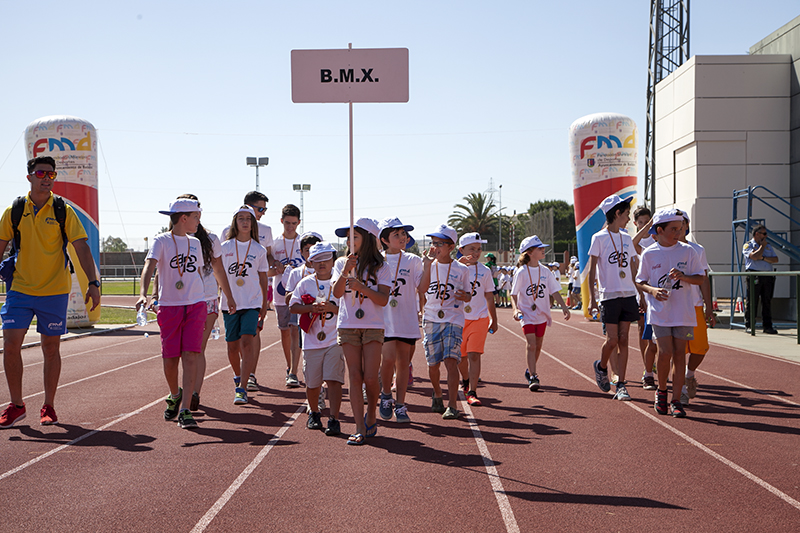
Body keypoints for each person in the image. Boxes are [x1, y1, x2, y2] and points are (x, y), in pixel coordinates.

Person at [0, 156, 101, 429]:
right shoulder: (15, 210)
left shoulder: (63, 210)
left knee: (50, 348)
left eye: (51, 174)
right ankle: (17, 405)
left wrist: (94, 283)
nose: (47, 177)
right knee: (10, 346)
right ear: (30, 177)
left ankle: (49, 406)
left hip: (55, 290)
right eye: (41, 173)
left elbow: (81, 248)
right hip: (20, 289)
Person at [137, 199, 217, 429]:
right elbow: (149, 267)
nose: (198, 223)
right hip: (170, 306)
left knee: (191, 354)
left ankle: (185, 410)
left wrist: (207, 298)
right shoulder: (161, 241)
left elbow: (199, 273)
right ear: (184, 218)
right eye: (196, 218)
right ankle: (175, 394)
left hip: (195, 305)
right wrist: (144, 294)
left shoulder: (195, 243)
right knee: (170, 358)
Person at [635, 208, 706, 418]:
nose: (678, 233)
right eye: (673, 229)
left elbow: (700, 278)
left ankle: (676, 399)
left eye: (680, 228)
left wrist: (683, 276)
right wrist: (653, 291)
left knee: (679, 354)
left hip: (683, 311)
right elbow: (640, 281)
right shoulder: (650, 253)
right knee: (664, 352)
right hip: (660, 312)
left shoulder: (688, 251)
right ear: (660, 230)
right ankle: (662, 391)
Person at [170, 194, 235, 412]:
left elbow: (218, 269)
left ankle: (195, 393)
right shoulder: (168, 239)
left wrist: (229, 295)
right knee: (179, 351)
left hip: (205, 299)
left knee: (197, 348)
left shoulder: (210, 239)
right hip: (177, 301)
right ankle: (182, 392)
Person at [331, 217, 391, 445]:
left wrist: (362, 287)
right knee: (354, 376)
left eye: (354, 236)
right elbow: (337, 294)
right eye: (348, 237)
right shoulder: (340, 263)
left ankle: (372, 414)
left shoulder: (382, 266)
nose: (349, 240)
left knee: (370, 377)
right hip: (348, 325)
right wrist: (346, 272)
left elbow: (383, 299)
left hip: (373, 326)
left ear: (367, 239)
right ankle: (358, 427)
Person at [289, 242, 344, 436]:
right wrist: (311, 308)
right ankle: (314, 412)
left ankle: (334, 418)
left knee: (334, 380)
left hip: (334, 340)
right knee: (312, 383)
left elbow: (348, 310)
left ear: (333, 260)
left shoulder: (339, 282)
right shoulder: (305, 283)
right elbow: (292, 307)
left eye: (326, 259)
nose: (322, 264)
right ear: (310, 262)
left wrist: (332, 309)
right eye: (317, 260)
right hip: (311, 342)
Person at [222, 191, 275, 391]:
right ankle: (238, 375)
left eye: (248, 219)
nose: (245, 222)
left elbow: (262, 277)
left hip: (252, 302)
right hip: (230, 303)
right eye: (241, 219)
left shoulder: (259, 250)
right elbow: (220, 275)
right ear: (235, 222)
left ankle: (242, 387)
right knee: (232, 346)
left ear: (253, 224)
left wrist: (264, 304)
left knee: (247, 342)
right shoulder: (225, 247)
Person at [588, 195, 639, 401]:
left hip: (628, 294)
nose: (628, 218)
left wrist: (641, 293)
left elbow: (634, 267)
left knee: (625, 339)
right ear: (616, 214)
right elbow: (592, 271)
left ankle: (621, 384)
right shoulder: (598, 238)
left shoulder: (627, 238)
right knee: (612, 340)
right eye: (626, 214)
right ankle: (601, 367)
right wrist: (592, 299)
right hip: (608, 295)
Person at [377, 218, 425, 423]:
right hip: (383, 318)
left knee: (404, 362)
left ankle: (401, 404)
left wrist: (429, 264)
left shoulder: (413, 260)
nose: (403, 238)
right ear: (385, 240)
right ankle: (386, 395)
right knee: (387, 359)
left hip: (406, 317)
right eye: (397, 235)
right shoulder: (377, 260)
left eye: (404, 234)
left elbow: (422, 288)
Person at [422, 224, 471, 420]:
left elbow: (468, 295)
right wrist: (426, 265)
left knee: (451, 361)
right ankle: (436, 393)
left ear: (451, 247)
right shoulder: (426, 265)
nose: (435, 247)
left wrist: (464, 295)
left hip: (453, 318)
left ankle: (452, 405)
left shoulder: (461, 269)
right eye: (433, 243)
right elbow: (421, 289)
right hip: (431, 317)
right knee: (433, 364)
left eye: (440, 244)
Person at [510, 236, 570, 391]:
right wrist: (515, 309)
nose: (543, 250)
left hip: (542, 314)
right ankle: (533, 376)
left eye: (543, 247)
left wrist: (564, 306)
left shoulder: (545, 271)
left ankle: (529, 370)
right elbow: (514, 294)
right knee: (531, 344)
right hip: (527, 314)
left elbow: (555, 291)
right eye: (539, 248)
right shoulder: (521, 272)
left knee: (538, 345)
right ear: (529, 252)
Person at [678, 213, 716, 405]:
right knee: (674, 351)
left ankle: (689, 375)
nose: (678, 227)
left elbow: (704, 279)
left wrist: (709, 307)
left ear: (686, 225)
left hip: (694, 306)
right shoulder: (660, 249)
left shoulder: (697, 249)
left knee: (700, 348)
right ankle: (677, 392)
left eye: (682, 223)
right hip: (672, 308)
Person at [456, 232, 497, 406]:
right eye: (471, 248)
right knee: (461, 356)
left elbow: (489, 296)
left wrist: (493, 319)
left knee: (474, 355)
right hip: (458, 318)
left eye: (479, 249)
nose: (476, 252)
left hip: (479, 317)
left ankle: (472, 390)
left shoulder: (485, 271)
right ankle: (465, 380)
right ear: (461, 249)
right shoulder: (454, 268)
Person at [272, 204, 305, 387]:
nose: (290, 227)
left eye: (294, 223)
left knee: (295, 330)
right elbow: (267, 260)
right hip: (280, 294)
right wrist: (274, 264)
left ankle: (294, 370)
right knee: (284, 331)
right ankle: (288, 366)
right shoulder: (275, 243)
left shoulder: (304, 242)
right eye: (287, 223)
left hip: (299, 294)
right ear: (281, 221)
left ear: (299, 222)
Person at [632, 205, 658, 389]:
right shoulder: (637, 243)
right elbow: (634, 244)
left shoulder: (656, 240)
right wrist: (640, 293)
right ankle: (646, 367)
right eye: (640, 223)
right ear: (636, 223)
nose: (644, 226)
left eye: (647, 222)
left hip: (656, 291)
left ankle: (652, 364)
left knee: (657, 334)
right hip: (640, 291)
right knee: (643, 330)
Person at [743, 225, 779, 334]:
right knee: (752, 300)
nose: (766, 236)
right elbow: (753, 256)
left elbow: (775, 259)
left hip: (767, 275)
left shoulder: (768, 246)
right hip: (754, 274)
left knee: (767, 301)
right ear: (757, 234)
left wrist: (762, 258)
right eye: (764, 234)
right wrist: (761, 248)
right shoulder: (748, 245)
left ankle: (767, 326)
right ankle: (749, 325)